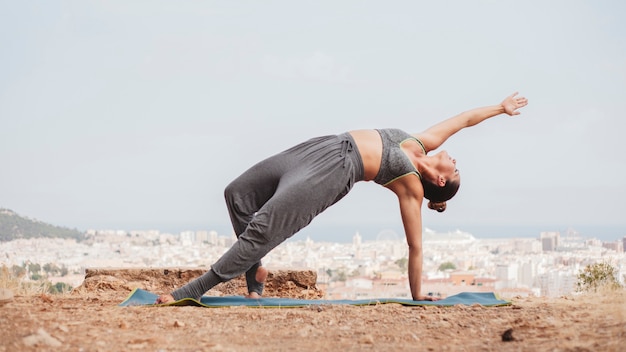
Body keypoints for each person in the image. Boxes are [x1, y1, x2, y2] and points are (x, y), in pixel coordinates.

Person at [156, 92, 528, 303]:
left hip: (333, 174)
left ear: (442, 180)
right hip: (324, 145)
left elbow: (416, 247)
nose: (455, 157)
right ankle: (255, 273)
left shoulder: (411, 186)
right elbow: (462, 119)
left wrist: (417, 296)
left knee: (265, 227)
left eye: (456, 168)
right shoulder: (422, 142)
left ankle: (192, 291)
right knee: (237, 192)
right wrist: (500, 108)